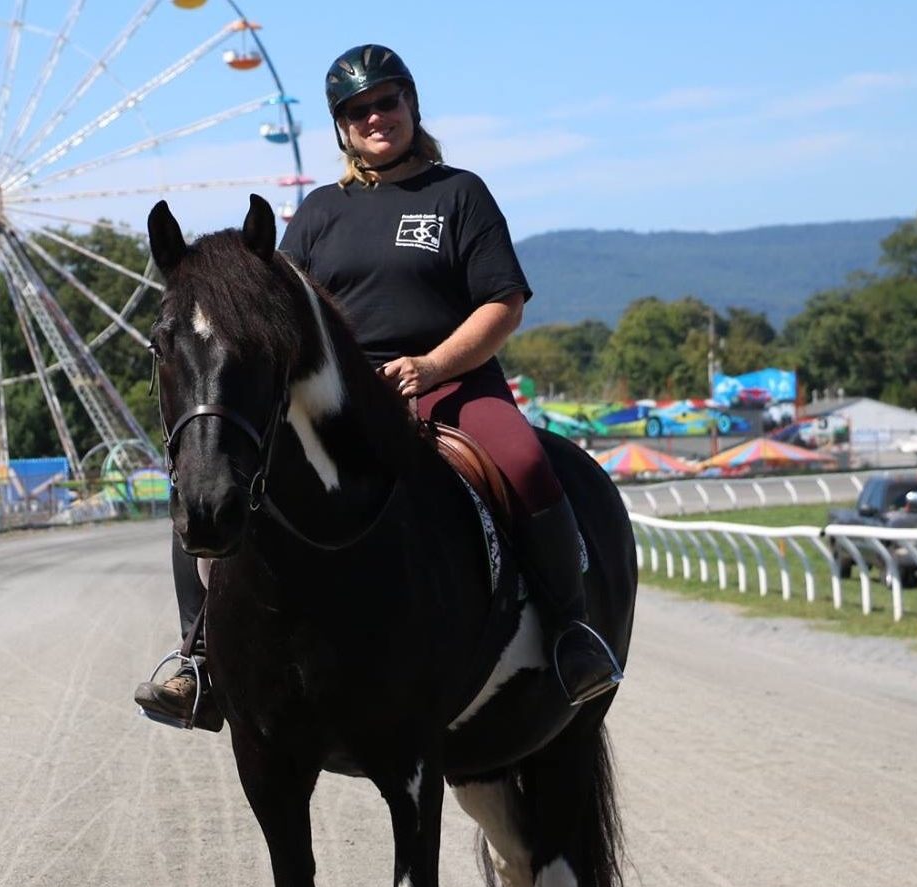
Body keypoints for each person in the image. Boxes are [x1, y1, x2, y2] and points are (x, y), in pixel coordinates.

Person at [134, 43, 619, 730]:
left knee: (525, 462)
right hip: (343, 398)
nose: (374, 118)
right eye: (357, 111)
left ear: (411, 105)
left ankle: (572, 634)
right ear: (340, 126)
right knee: (211, 485)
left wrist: (431, 365)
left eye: (385, 102)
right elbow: (278, 311)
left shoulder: (458, 194)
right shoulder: (318, 213)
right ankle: (198, 659)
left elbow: (502, 303)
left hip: (453, 381)